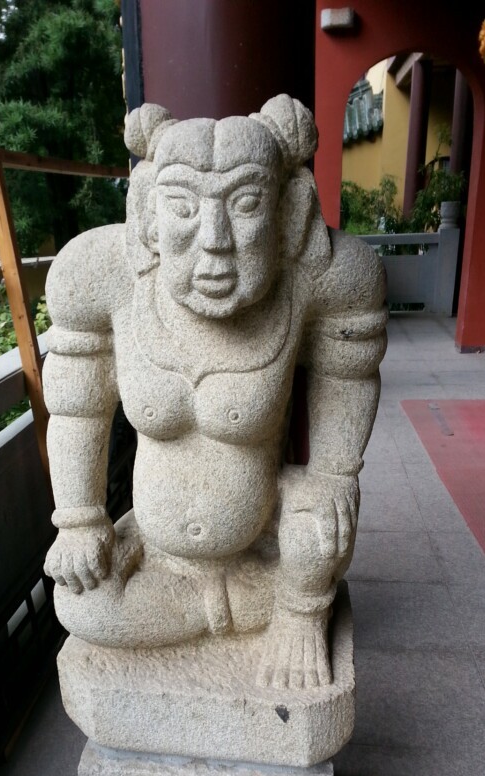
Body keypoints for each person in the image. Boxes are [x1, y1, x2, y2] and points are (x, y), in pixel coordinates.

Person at [42, 95, 387, 689]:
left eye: (246, 204)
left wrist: (333, 474)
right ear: (146, 214)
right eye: (183, 208)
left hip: (265, 525)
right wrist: (78, 518)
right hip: (159, 545)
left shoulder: (314, 277)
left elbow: (350, 368)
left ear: (290, 213)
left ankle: (297, 610)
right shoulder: (104, 276)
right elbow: (77, 405)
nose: (215, 239)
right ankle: (243, 608)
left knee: (320, 533)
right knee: (79, 605)